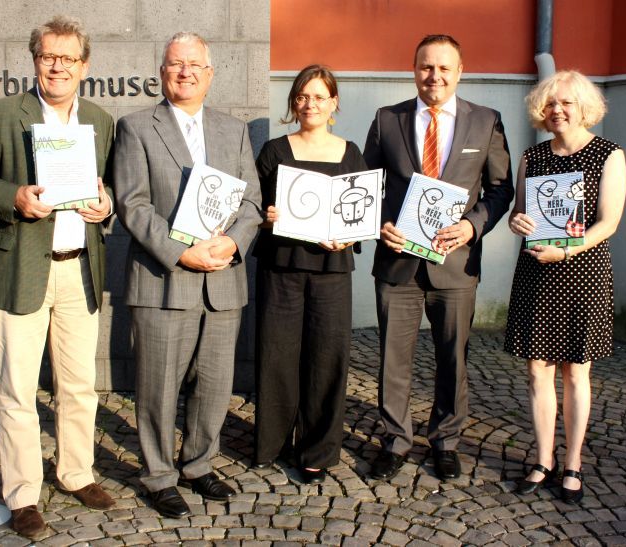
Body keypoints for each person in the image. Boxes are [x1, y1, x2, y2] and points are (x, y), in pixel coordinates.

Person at [0, 15, 115, 540]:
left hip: (79, 272)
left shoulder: (99, 118)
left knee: (79, 385)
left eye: (69, 58)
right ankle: (22, 494)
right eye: (49, 56)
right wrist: (13, 198)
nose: (58, 66)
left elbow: (105, 187)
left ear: (85, 66)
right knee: (18, 389)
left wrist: (105, 204)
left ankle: (75, 474)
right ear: (35, 61)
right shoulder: (2, 114)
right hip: (21, 267)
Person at [112, 32, 262, 518]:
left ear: (210, 73)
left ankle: (199, 464)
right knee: (157, 386)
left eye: (195, 65)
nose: (186, 72)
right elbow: (132, 205)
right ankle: (158, 475)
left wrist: (233, 242)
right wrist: (182, 252)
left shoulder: (233, 130)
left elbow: (252, 203)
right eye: (176, 64)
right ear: (162, 72)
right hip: (164, 279)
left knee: (216, 385)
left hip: (222, 280)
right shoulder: (135, 127)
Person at [363, 34, 513, 481]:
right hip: (398, 263)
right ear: (414, 70)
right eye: (427, 67)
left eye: (445, 68)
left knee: (454, 358)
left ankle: (446, 440)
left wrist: (472, 225)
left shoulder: (486, 121)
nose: (435, 76)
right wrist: (378, 226)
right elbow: (367, 185)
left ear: (460, 72)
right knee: (393, 358)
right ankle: (395, 440)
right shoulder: (387, 119)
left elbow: (500, 188)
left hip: (456, 262)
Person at [505, 70, 626, 504]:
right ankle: (543, 459)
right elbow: (518, 216)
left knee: (576, 371)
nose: (557, 110)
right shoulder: (532, 156)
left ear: (584, 107)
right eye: (551, 103)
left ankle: (572, 462)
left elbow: (608, 222)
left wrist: (568, 250)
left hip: (583, 272)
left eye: (566, 103)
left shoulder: (609, 155)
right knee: (537, 369)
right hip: (538, 270)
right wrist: (517, 222)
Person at [252, 65, 366, 484]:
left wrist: (348, 236)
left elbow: (361, 213)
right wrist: (267, 217)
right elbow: (254, 212)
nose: (309, 104)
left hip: (332, 269)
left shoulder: (351, 152)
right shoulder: (274, 151)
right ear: (293, 102)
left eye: (319, 96)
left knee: (326, 359)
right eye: (302, 96)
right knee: (277, 356)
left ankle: (318, 449)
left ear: (334, 103)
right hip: (281, 266)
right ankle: (272, 444)